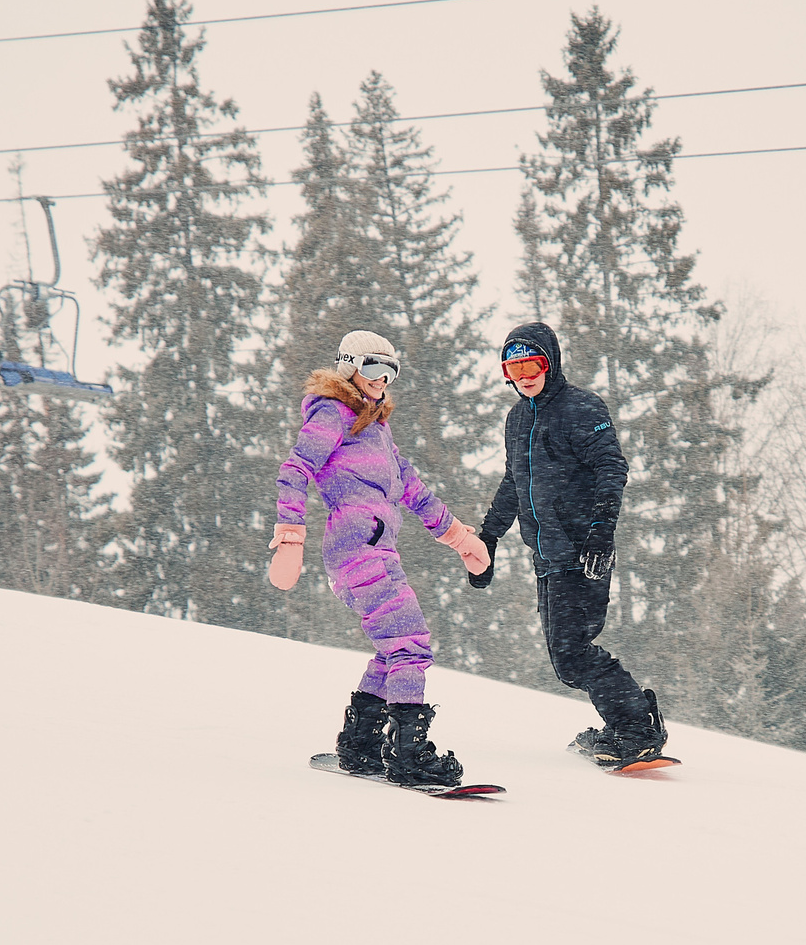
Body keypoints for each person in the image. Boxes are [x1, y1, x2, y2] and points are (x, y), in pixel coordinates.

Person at [271, 330, 490, 787]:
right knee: (411, 643)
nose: (382, 380)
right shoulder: (333, 412)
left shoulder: (375, 429)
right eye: (373, 368)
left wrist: (460, 538)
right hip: (356, 548)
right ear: (348, 365)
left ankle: (360, 744)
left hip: (376, 548)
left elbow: (412, 488)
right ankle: (409, 753)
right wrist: (291, 535)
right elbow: (296, 470)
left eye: (391, 371)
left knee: (394, 648)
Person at [468, 321, 669, 767]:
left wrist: (602, 531)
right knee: (568, 657)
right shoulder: (517, 419)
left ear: (550, 362)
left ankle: (635, 726)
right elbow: (513, 483)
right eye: (513, 367)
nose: (523, 375)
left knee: (571, 653)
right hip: (547, 556)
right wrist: (488, 537)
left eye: (532, 363)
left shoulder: (580, 407)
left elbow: (611, 469)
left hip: (584, 551)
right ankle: (629, 722)